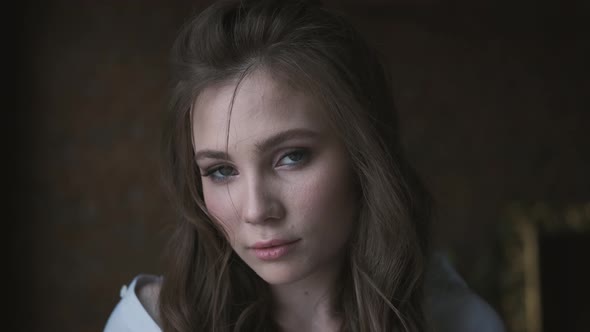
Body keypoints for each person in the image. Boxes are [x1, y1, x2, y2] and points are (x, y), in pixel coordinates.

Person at [104, 0, 505, 331]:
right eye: (221, 170)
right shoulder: (148, 326)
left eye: (291, 157)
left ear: (365, 157)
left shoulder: (460, 323)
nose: (256, 210)